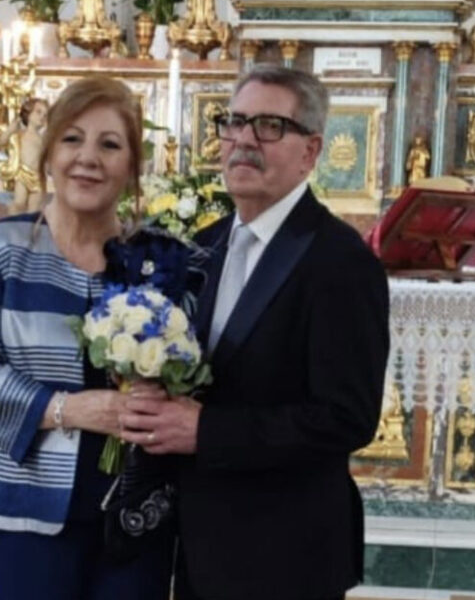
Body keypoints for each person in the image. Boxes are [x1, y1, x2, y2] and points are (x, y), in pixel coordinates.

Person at [121, 65, 390, 600]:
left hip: (286, 548)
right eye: (235, 122)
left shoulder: (341, 261)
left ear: (311, 152)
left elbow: (347, 418)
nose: (243, 140)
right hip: (198, 540)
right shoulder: (207, 243)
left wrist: (207, 431)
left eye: (269, 126)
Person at [0, 77, 173, 600]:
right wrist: (72, 409)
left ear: (133, 166)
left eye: (109, 144)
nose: (87, 158)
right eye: (72, 139)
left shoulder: (161, 258)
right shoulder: (0, 249)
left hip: (138, 516)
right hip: (27, 512)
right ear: (48, 153)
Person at [0, 98, 49, 214]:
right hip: (23, 174)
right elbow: (2, 142)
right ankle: (13, 225)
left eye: (45, 115)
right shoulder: (20, 135)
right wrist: (10, 130)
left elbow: (47, 158)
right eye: (38, 112)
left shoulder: (43, 140)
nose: (42, 117)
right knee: (19, 203)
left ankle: (29, 231)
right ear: (28, 114)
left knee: (34, 210)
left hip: (39, 177)